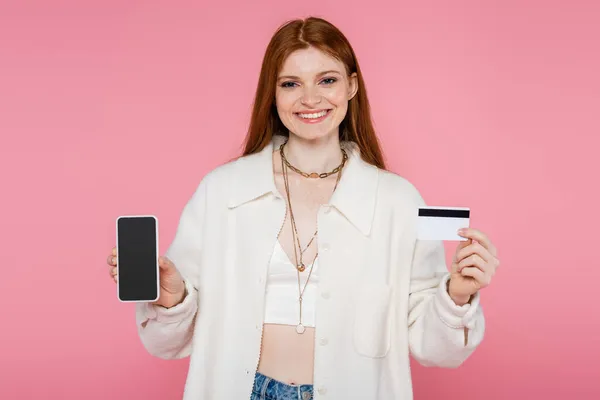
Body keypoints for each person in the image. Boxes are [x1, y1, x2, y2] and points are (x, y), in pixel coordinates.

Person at [106, 16, 499, 400]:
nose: (310, 99)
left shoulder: (398, 200)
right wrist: (172, 300)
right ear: (273, 95)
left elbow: (434, 348)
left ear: (352, 86)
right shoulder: (222, 191)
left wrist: (456, 296)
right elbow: (165, 343)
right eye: (291, 84)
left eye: (327, 80)